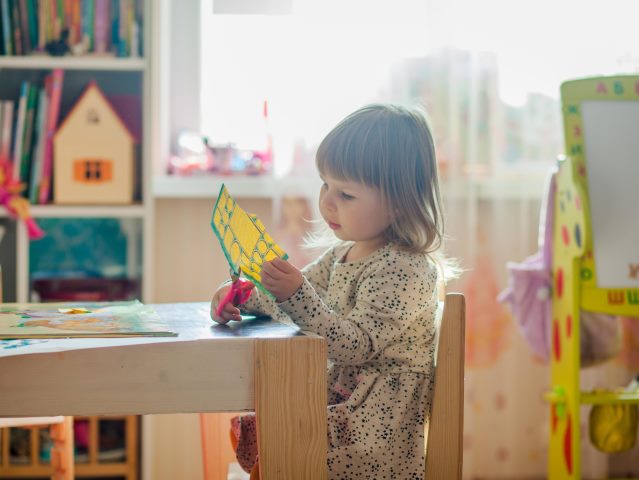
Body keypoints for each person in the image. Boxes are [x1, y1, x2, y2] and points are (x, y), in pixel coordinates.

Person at [211, 103, 453, 479]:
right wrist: (243, 296)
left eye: (346, 194)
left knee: (281, 434)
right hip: (343, 408)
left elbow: (353, 345)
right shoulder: (342, 253)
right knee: (269, 424)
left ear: (400, 201)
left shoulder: (406, 269)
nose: (326, 201)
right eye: (325, 184)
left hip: (373, 432)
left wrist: (295, 294)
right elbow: (293, 301)